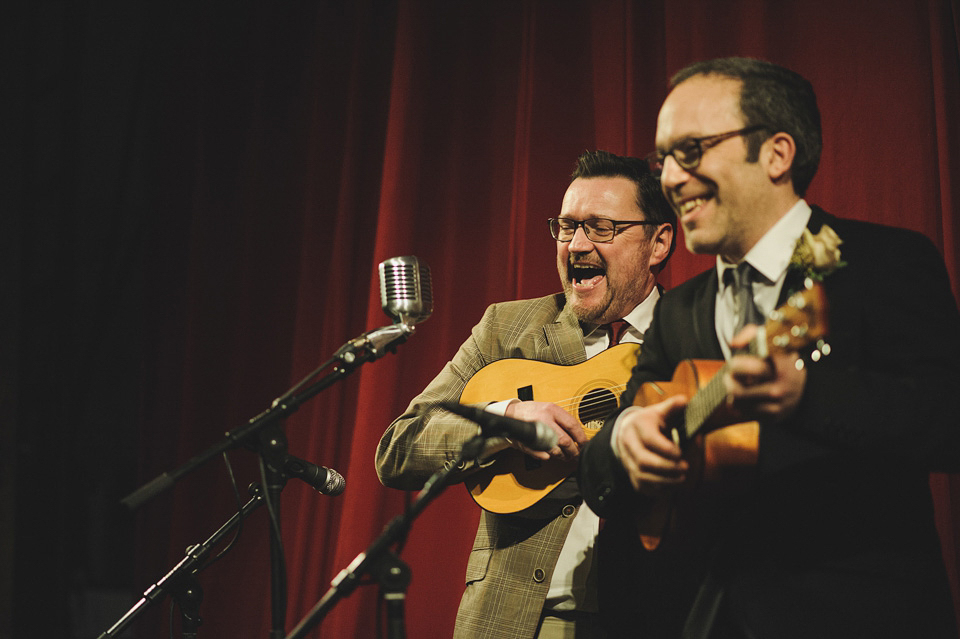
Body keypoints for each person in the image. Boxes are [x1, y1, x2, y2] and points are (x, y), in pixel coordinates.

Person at [578, 57, 960, 638]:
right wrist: (625, 435)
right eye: (665, 159)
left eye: (692, 150)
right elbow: (599, 469)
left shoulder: (883, 263)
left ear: (777, 154)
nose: (671, 179)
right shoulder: (680, 311)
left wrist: (810, 394)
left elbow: (946, 421)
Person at [376, 150, 676, 639]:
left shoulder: (694, 333)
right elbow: (399, 449)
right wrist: (504, 419)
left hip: (651, 617)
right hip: (512, 622)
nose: (577, 245)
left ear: (658, 242)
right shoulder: (507, 327)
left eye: (601, 228)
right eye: (566, 226)